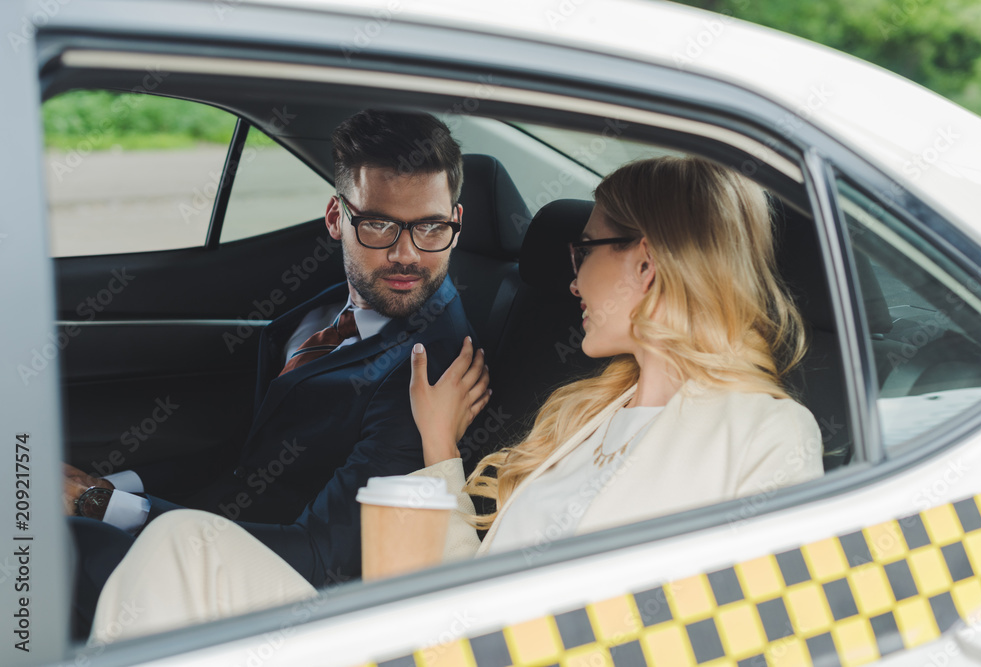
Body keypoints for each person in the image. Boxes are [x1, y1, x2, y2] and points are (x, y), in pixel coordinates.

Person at [89, 155, 824, 643]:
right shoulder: (588, 413)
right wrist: (439, 444)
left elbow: (752, 637)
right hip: (444, 642)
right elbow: (465, 586)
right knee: (183, 545)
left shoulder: (768, 432)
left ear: (647, 260)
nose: (571, 280)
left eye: (585, 250)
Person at [66, 109, 480, 636]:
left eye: (431, 227)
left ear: (456, 223)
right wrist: (106, 488)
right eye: (378, 224)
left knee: (54, 551)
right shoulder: (329, 308)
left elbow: (320, 556)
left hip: (273, 592)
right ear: (336, 218)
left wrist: (98, 505)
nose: (406, 254)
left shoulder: (429, 375)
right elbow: (250, 456)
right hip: (222, 527)